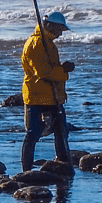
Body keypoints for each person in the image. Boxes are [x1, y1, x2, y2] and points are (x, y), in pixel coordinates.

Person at [19, 10, 74, 172]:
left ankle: (63, 162)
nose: (60, 34)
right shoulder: (36, 43)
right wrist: (64, 70)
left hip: (51, 96)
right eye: (59, 30)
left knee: (61, 130)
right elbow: (43, 73)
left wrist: (61, 70)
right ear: (49, 25)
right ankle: (26, 169)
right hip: (37, 96)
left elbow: (49, 70)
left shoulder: (47, 43)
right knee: (32, 134)